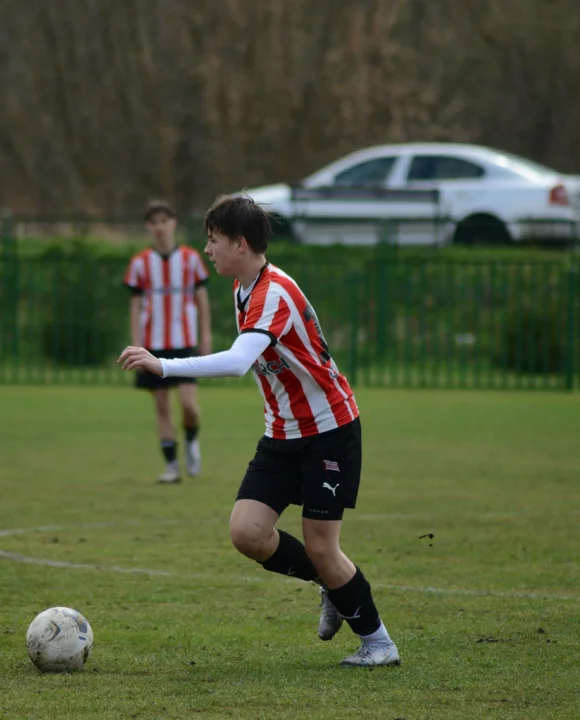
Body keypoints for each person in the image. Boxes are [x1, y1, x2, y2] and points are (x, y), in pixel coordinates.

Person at [118, 194, 400, 667]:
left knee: (321, 546)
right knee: (247, 533)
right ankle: (330, 584)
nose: (207, 250)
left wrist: (161, 364)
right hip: (283, 434)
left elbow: (236, 362)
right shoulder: (242, 287)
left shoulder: (273, 293)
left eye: (213, 240)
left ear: (240, 244)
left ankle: (378, 642)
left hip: (328, 431)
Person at [124, 200, 212, 483]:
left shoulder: (190, 259)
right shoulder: (140, 263)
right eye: (153, 222)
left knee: (188, 404)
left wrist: (206, 336)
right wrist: (137, 344)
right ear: (148, 227)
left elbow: (201, 299)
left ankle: (191, 439)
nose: (159, 227)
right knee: (162, 405)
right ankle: (172, 466)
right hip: (153, 343)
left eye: (164, 220)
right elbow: (136, 306)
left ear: (174, 223)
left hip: (183, 340)